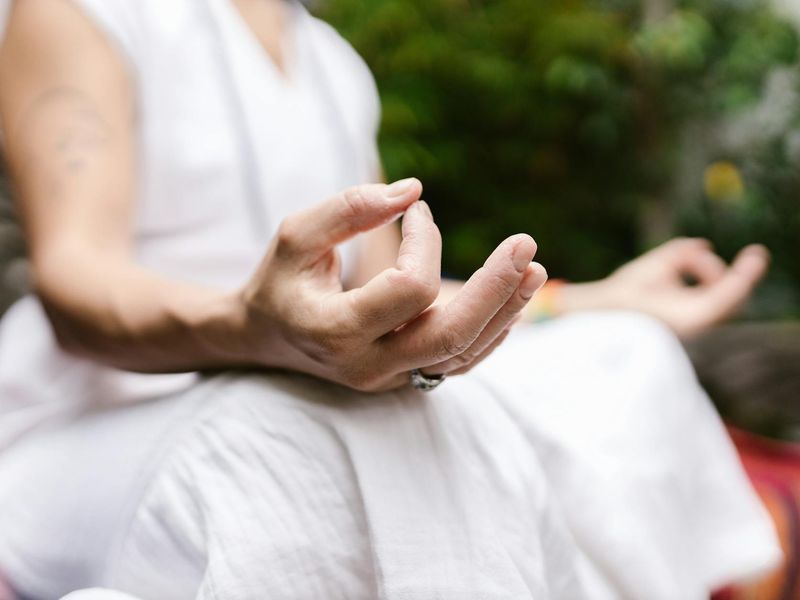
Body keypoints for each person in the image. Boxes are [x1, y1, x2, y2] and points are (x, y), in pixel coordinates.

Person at [0, 0, 781, 598]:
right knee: (304, 432)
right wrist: (253, 330)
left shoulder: (335, 64)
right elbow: (76, 280)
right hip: (93, 422)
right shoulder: (79, 11)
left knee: (626, 356)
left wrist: (595, 300)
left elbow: (380, 291)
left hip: (285, 364)